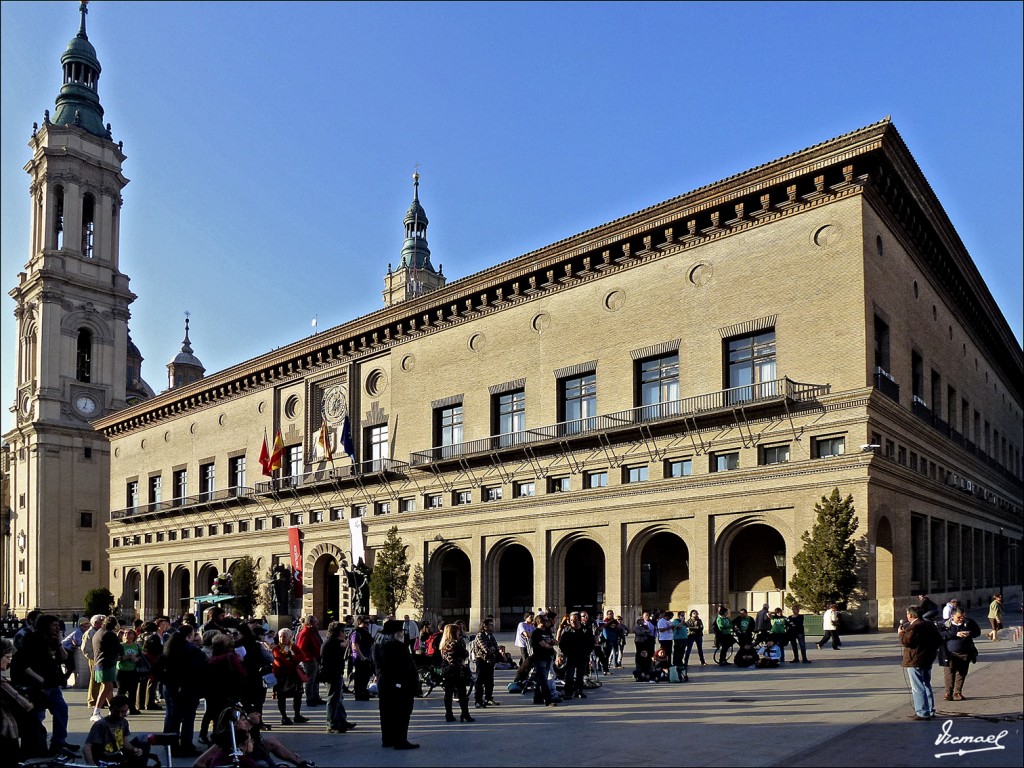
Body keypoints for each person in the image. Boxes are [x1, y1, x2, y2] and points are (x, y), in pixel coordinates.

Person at [10, 613, 79, 757]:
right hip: (37, 687)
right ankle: (35, 746)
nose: (57, 628)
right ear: (45, 626)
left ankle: (58, 743)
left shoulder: (53, 640)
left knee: (61, 710)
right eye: (54, 625)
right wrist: (39, 679)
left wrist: (59, 643)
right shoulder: (32, 640)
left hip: (52, 685)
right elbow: (22, 663)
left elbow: (64, 657)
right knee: (37, 717)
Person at [152, 624, 207, 757]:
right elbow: (199, 670)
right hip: (188, 689)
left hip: (170, 687)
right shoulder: (193, 651)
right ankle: (186, 745)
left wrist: (166, 680)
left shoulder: (169, 648)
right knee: (188, 718)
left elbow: (155, 669)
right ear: (189, 636)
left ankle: (170, 744)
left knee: (172, 716)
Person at [371, 619, 419, 750]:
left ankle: (387, 739)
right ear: (396, 633)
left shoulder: (377, 645)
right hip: (400, 683)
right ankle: (400, 740)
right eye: (401, 632)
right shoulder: (398, 647)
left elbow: (377, 665)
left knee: (386, 712)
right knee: (402, 712)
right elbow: (406, 667)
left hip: (384, 682)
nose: (402, 634)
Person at [1, 636, 49, 760]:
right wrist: (30, 703)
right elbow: (21, 702)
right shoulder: (1, 683)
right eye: (7, 657)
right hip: (5, 730)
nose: (9, 661)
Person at [82, 694, 150, 768]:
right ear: (110, 709)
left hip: (118, 755)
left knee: (144, 738)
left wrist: (135, 749)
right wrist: (91, 765)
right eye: (117, 711)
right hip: (105, 758)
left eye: (123, 712)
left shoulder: (124, 722)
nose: (120, 715)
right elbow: (87, 747)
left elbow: (125, 743)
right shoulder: (101, 725)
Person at [899, 605, 942, 721]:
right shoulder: (929, 624)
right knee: (926, 684)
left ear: (911, 615)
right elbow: (939, 640)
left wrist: (901, 633)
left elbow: (907, 642)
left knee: (917, 686)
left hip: (915, 660)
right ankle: (930, 709)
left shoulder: (915, 626)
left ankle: (922, 712)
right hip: (927, 659)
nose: (907, 616)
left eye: (908, 614)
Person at [319, 620, 356, 734]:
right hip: (332, 675)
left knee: (338, 699)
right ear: (339, 632)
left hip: (335, 674)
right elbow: (333, 660)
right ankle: (332, 723)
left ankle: (341, 720)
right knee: (333, 699)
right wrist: (343, 648)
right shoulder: (332, 644)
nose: (345, 634)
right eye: (343, 631)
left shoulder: (333, 642)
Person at [938, 607, 981, 701]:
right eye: (959, 617)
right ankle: (948, 693)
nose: (961, 619)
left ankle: (957, 692)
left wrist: (969, 633)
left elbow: (977, 632)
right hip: (949, 653)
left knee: (961, 673)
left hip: (965, 652)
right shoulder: (944, 624)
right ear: (952, 616)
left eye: (963, 617)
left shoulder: (969, 623)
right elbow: (939, 634)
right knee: (949, 673)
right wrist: (955, 634)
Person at [271, 628, 309, 726]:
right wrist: (293, 661)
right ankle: (284, 717)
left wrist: (291, 659)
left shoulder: (294, 647)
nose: (282, 638)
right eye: (280, 636)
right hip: (282, 677)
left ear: (290, 637)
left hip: (294, 676)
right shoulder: (276, 648)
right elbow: (280, 662)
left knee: (298, 696)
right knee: (281, 697)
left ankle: (297, 715)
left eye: (284, 636)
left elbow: (303, 656)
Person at [439, 623, 474, 722]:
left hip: (447, 671)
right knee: (462, 693)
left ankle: (449, 714)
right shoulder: (455, 643)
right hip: (457, 670)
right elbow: (465, 653)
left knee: (448, 694)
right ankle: (465, 713)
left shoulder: (444, 644)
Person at [90, 616, 121, 722]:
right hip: (106, 663)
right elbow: (118, 648)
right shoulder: (110, 634)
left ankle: (112, 710)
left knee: (109, 688)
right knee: (106, 687)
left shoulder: (98, 632)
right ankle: (96, 711)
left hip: (99, 662)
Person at [558, 612, 589, 700]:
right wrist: (561, 655)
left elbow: (590, 643)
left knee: (580, 675)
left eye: (575, 620)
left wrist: (587, 653)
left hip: (582, 655)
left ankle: (579, 691)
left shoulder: (585, 630)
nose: (573, 622)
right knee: (569, 675)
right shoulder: (567, 630)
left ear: (579, 620)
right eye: (571, 620)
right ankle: (568, 692)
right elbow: (561, 644)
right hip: (570, 655)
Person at [294, 616, 324, 707]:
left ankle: (316, 697)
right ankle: (310, 699)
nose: (317, 623)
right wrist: (309, 657)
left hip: (315, 658)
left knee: (316, 679)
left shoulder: (313, 631)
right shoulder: (305, 632)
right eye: (315, 621)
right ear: (310, 623)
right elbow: (301, 648)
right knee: (310, 680)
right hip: (309, 659)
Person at [529, 613, 557, 707]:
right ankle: (548, 700)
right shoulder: (536, 633)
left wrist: (552, 643)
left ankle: (537, 698)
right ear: (540, 621)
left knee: (541, 679)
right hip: (540, 658)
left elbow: (553, 641)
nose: (548, 622)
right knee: (544, 680)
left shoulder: (547, 631)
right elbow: (544, 644)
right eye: (546, 620)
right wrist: (549, 644)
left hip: (548, 657)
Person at [472, 618, 500, 708]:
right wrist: (492, 650)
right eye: (491, 625)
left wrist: (494, 650)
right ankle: (478, 700)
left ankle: (488, 698)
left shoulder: (490, 635)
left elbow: (496, 647)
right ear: (485, 626)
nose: (493, 626)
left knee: (490, 681)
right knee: (479, 681)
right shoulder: (480, 635)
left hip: (490, 661)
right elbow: (485, 649)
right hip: (481, 660)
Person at [116, 629, 143, 716]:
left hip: (133, 671)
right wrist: (127, 657)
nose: (127, 635)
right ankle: (119, 708)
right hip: (122, 671)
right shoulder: (120, 646)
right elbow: (117, 658)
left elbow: (141, 657)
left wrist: (136, 659)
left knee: (133, 691)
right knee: (121, 691)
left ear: (134, 636)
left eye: (129, 633)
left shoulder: (137, 646)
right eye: (125, 633)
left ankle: (132, 708)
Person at [349, 616, 375, 701]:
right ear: (360, 622)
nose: (367, 624)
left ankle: (364, 691)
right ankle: (359, 693)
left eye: (368, 623)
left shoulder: (366, 632)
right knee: (359, 677)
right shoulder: (356, 632)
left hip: (367, 657)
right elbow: (354, 646)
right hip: (360, 659)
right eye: (365, 622)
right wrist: (362, 657)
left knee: (366, 676)